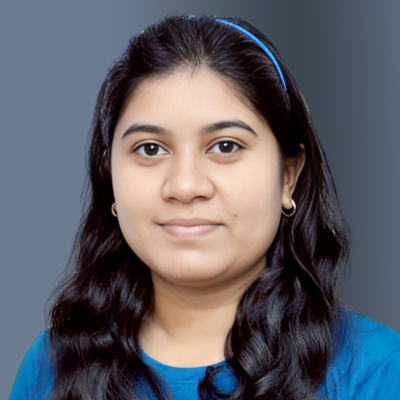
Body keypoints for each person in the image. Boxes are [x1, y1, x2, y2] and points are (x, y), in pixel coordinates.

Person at [9, 13, 400, 400]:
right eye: (150, 149)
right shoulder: (50, 367)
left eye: (225, 146)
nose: (185, 186)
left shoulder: (380, 371)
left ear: (288, 176)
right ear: (109, 177)